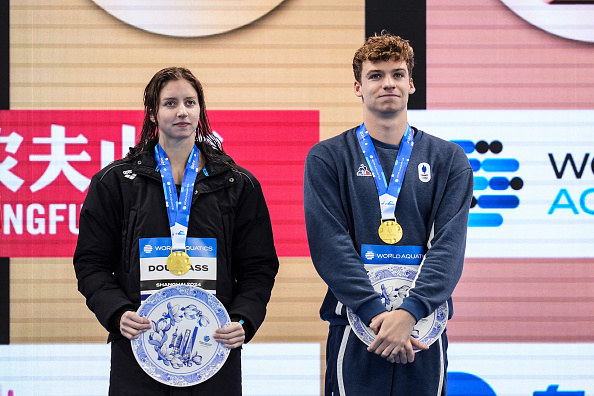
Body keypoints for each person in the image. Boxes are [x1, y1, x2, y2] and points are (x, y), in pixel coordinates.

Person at [74, 66, 279, 395]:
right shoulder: (114, 182)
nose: (182, 111)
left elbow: (259, 266)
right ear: (153, 113)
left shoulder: (237, 184)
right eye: (170, 103)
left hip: (213, 348)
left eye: (190, 102)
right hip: (139, 347)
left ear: (201, 110)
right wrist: (116, 311)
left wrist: (243, 318)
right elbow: (91, 263)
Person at [304, 33, 473, 395]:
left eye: (397, 74)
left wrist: (410, 312)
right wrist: (377, 316)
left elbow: (449, 248)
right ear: (358, 87)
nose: (388, 84)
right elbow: (329, 245)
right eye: (376, 75)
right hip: (355, 325)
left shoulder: (449, 160)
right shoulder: (327, 158)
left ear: (411, 83)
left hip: (424, 328)